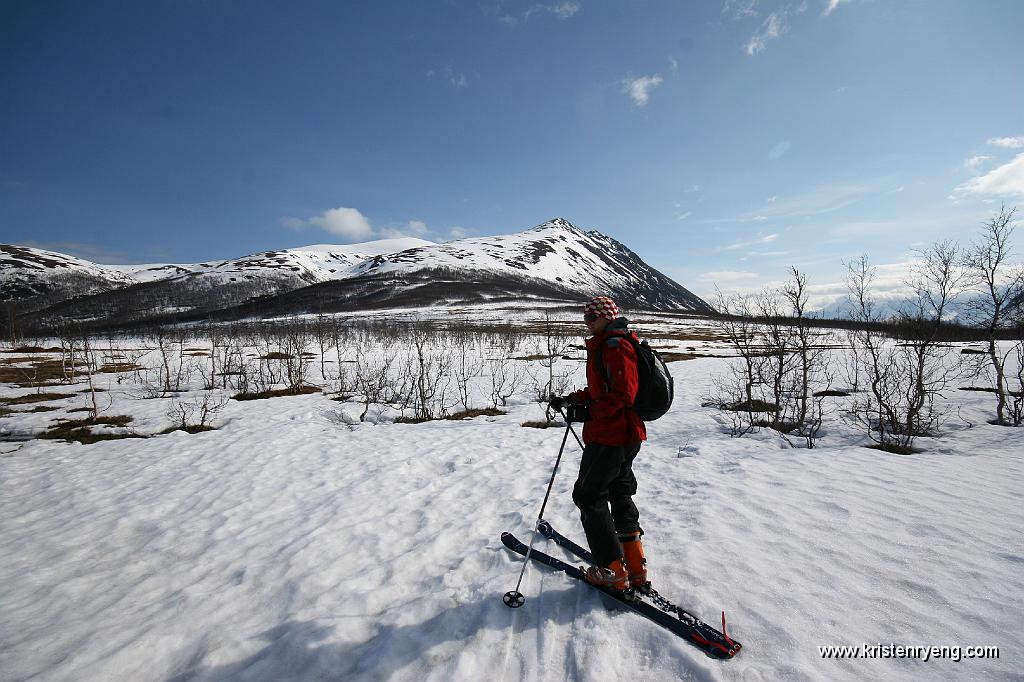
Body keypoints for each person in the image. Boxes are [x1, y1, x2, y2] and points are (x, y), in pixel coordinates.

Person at [550, 295, 649, 592]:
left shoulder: (615, 346)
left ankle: (612, 570)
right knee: (618, 492)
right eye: (585, 318)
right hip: (623, 434)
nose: (588, 322)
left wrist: (589, 411)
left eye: (592, 318)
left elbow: (622, 395)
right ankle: (633, 564)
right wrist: (574, 400)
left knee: (589, 495)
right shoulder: (610, 343)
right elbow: (603, 389)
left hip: (612, 435)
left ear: (607, 317)